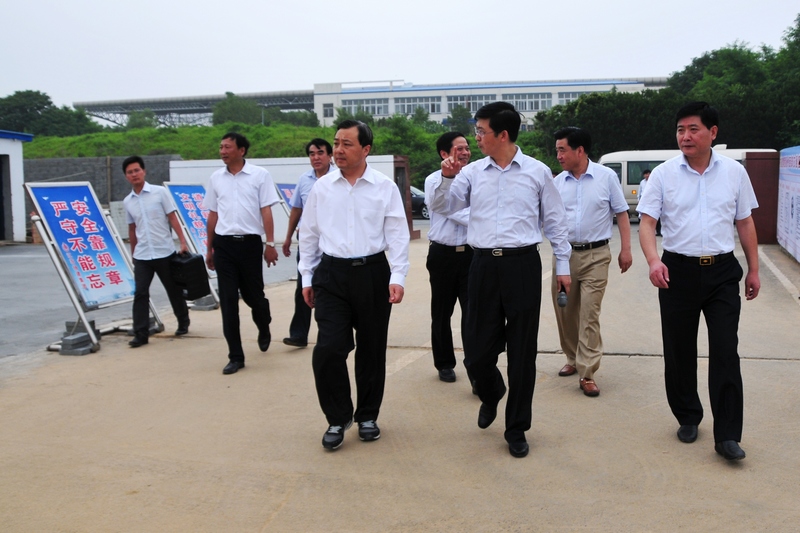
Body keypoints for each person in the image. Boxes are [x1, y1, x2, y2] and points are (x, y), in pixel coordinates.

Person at [431, 102, 572, 458]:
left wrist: (563, 266)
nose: (476, 138)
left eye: (481, 131)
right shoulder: (471, 172)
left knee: (522, 352)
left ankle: (516, 427)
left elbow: (555, 221)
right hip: (481, 265)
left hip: (522, 265)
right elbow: (444, 207)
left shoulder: (537, 172)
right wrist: (447, 178)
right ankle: (492, 390)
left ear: (503, 134)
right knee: (477, 351)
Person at [637, 101, 760, 462]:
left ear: (712, 133)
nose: (685, 136)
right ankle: (688, 415)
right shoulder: (663, 174)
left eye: (693, 129)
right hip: (677, 272)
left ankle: (728, 436)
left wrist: (753, 269)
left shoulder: (734, 172)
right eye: (680, 130)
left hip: (722, 273)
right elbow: (647, 223)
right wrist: (654, 260)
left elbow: (745, 222)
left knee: (725, 350)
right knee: (679, 349)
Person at [299, 120, 410, 451]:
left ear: (366, 149)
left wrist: (398, 277)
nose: (338, 150)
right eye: (336, 143)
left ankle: (367, 416)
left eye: (347, 144)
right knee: (329, 348)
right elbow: (309, 233)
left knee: (371, 350)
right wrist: (307, 276)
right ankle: (337, 417)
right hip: (331, 275)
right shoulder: (322, 187)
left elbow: (397, 234)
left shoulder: (383, 187)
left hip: (372, 274)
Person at [552, 127, 632, 396]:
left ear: (580, 150)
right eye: (557, 150)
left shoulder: (606, 177)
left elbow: (622, 213)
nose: (558, 155)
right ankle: (572, 357)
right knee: (565, 311)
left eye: (562, 150)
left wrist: (626, 250)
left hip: (596, 255)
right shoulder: (557, 183)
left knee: (589, 313)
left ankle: (587, 371)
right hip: (564, 256)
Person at [204, 132, 280, 375]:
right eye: (221, 147)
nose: (222, 151)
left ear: (241, 150)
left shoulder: (260, 175)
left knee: (253, 296)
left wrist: (270, 244)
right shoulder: (216, 178)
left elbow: (266, 211)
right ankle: (235, 356)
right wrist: (209, 248)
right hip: (224, 245)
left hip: (249, 244)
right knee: (228, 301)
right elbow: (213, 214)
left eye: (227, 147)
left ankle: (263, 323)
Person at [123, 155, 190, 348]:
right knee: (140, 293)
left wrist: (183, 242)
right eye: (130, 172)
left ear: (144, 171)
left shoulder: (160, 193)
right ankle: (141, 334)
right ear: (126, 176)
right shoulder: (128, 201)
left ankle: (183, 321)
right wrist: (133, 253)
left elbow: (173, 218)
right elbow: (132, 229)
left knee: (173, 289)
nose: (134, 174)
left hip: (164, 251)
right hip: (142, 255)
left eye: (137, 170)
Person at [424, 132, 474, 385]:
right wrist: (481, 217)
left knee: (473, 314)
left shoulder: (476, 176)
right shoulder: (434, 179)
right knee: (441, 313)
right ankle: (444, 363)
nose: (465, 152)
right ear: (444, 154)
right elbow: (441, 207)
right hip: (442, 255)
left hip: (471, 255)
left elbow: (458, 209)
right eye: (459, 149)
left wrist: (478, 214)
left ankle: (476, 368)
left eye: (467, 148)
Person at [281, 138, 335, 348]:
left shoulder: (338, 178)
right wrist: (288, 237)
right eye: (312, 154)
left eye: (320, 153)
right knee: (303, 285)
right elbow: (297, 209)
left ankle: (329, 332)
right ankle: (299, 334)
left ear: (330, 155)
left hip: (331, 242)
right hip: (307, 241)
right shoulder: (304, 180)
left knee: (329, 287)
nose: (316, 157)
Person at [638, 169, 661, 236]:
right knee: (642, 216)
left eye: (648, 173)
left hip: (652, 201)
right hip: (644, 201)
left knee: (656, 216)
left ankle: (658, 231)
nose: (647, 175)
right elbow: (639, 191)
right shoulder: (642, 182)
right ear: (644, 175)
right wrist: (638, 200)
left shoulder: (653, 181)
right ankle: (643, 230)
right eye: (646, 174)